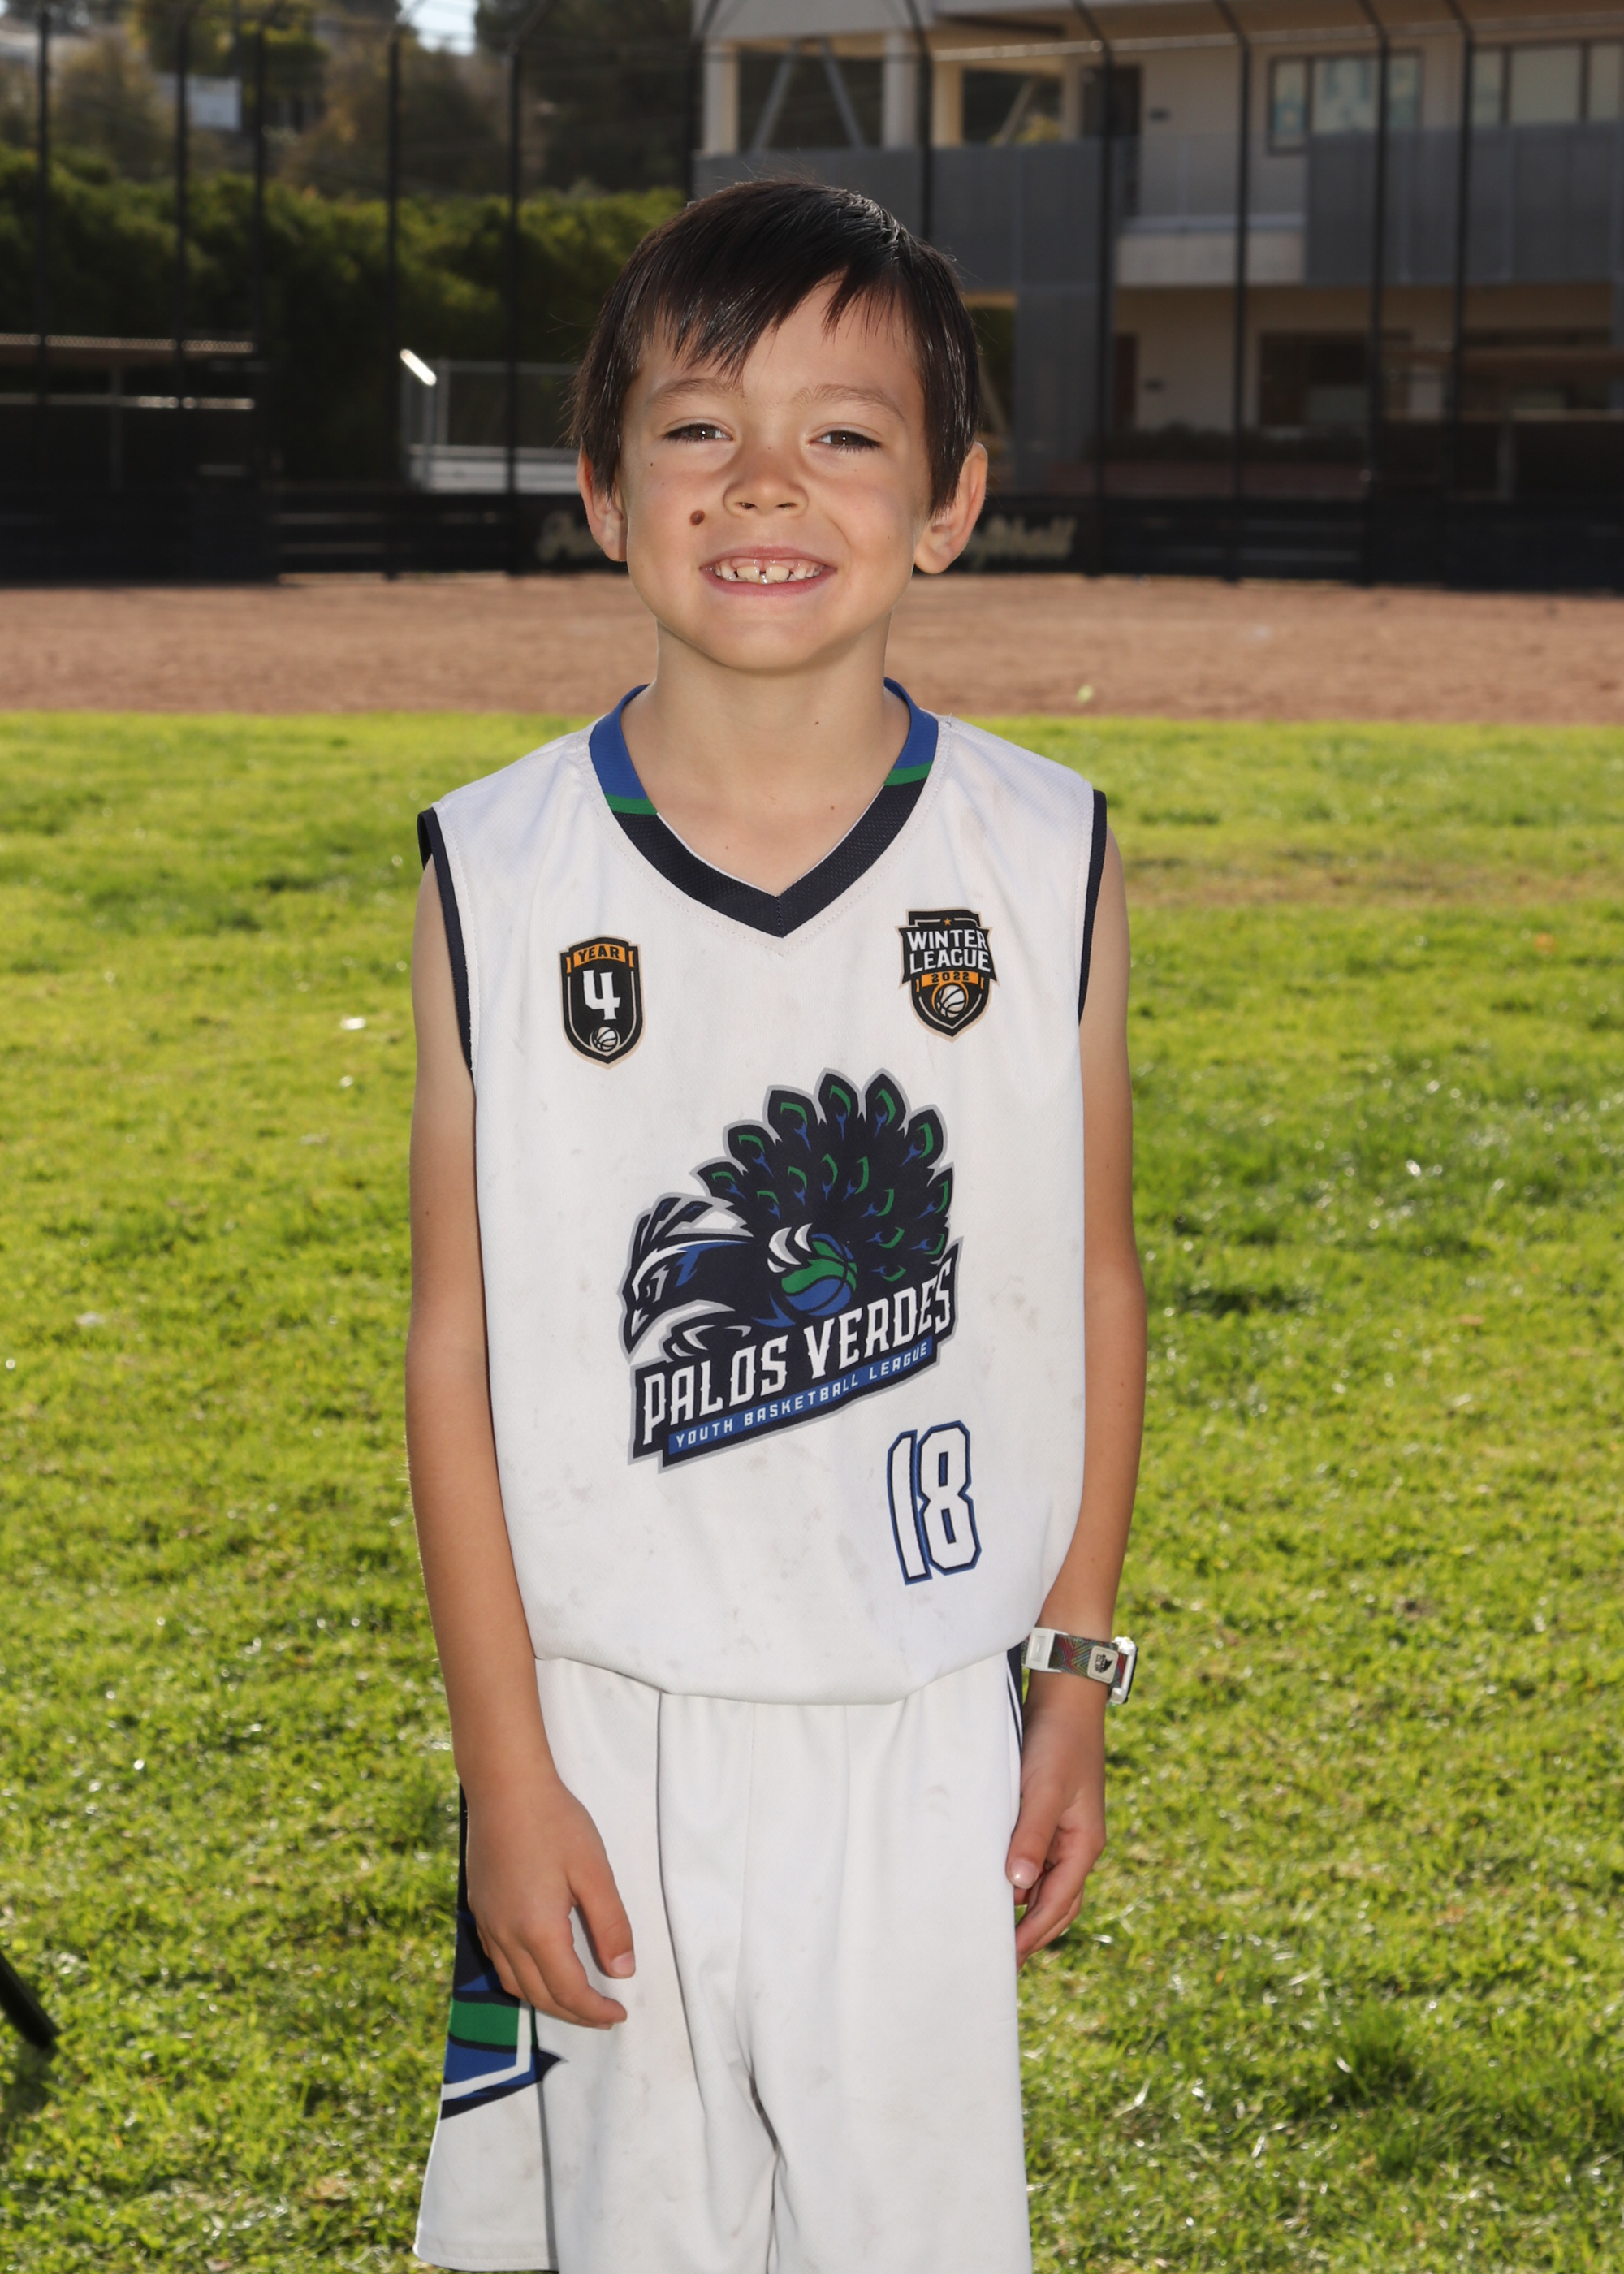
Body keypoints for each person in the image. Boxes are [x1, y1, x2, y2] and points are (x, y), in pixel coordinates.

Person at [405, 177, 1147, 2274]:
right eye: (696, 426)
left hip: (925, 1720)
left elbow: (1092, 1280)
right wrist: (504, 1771)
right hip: (605, 1724)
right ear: (600, 490)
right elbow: (454, 1343)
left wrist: (1073, 1671)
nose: (762, 482)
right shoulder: (500, 867)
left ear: (953, 500)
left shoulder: (1046, 850)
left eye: (844, 430)